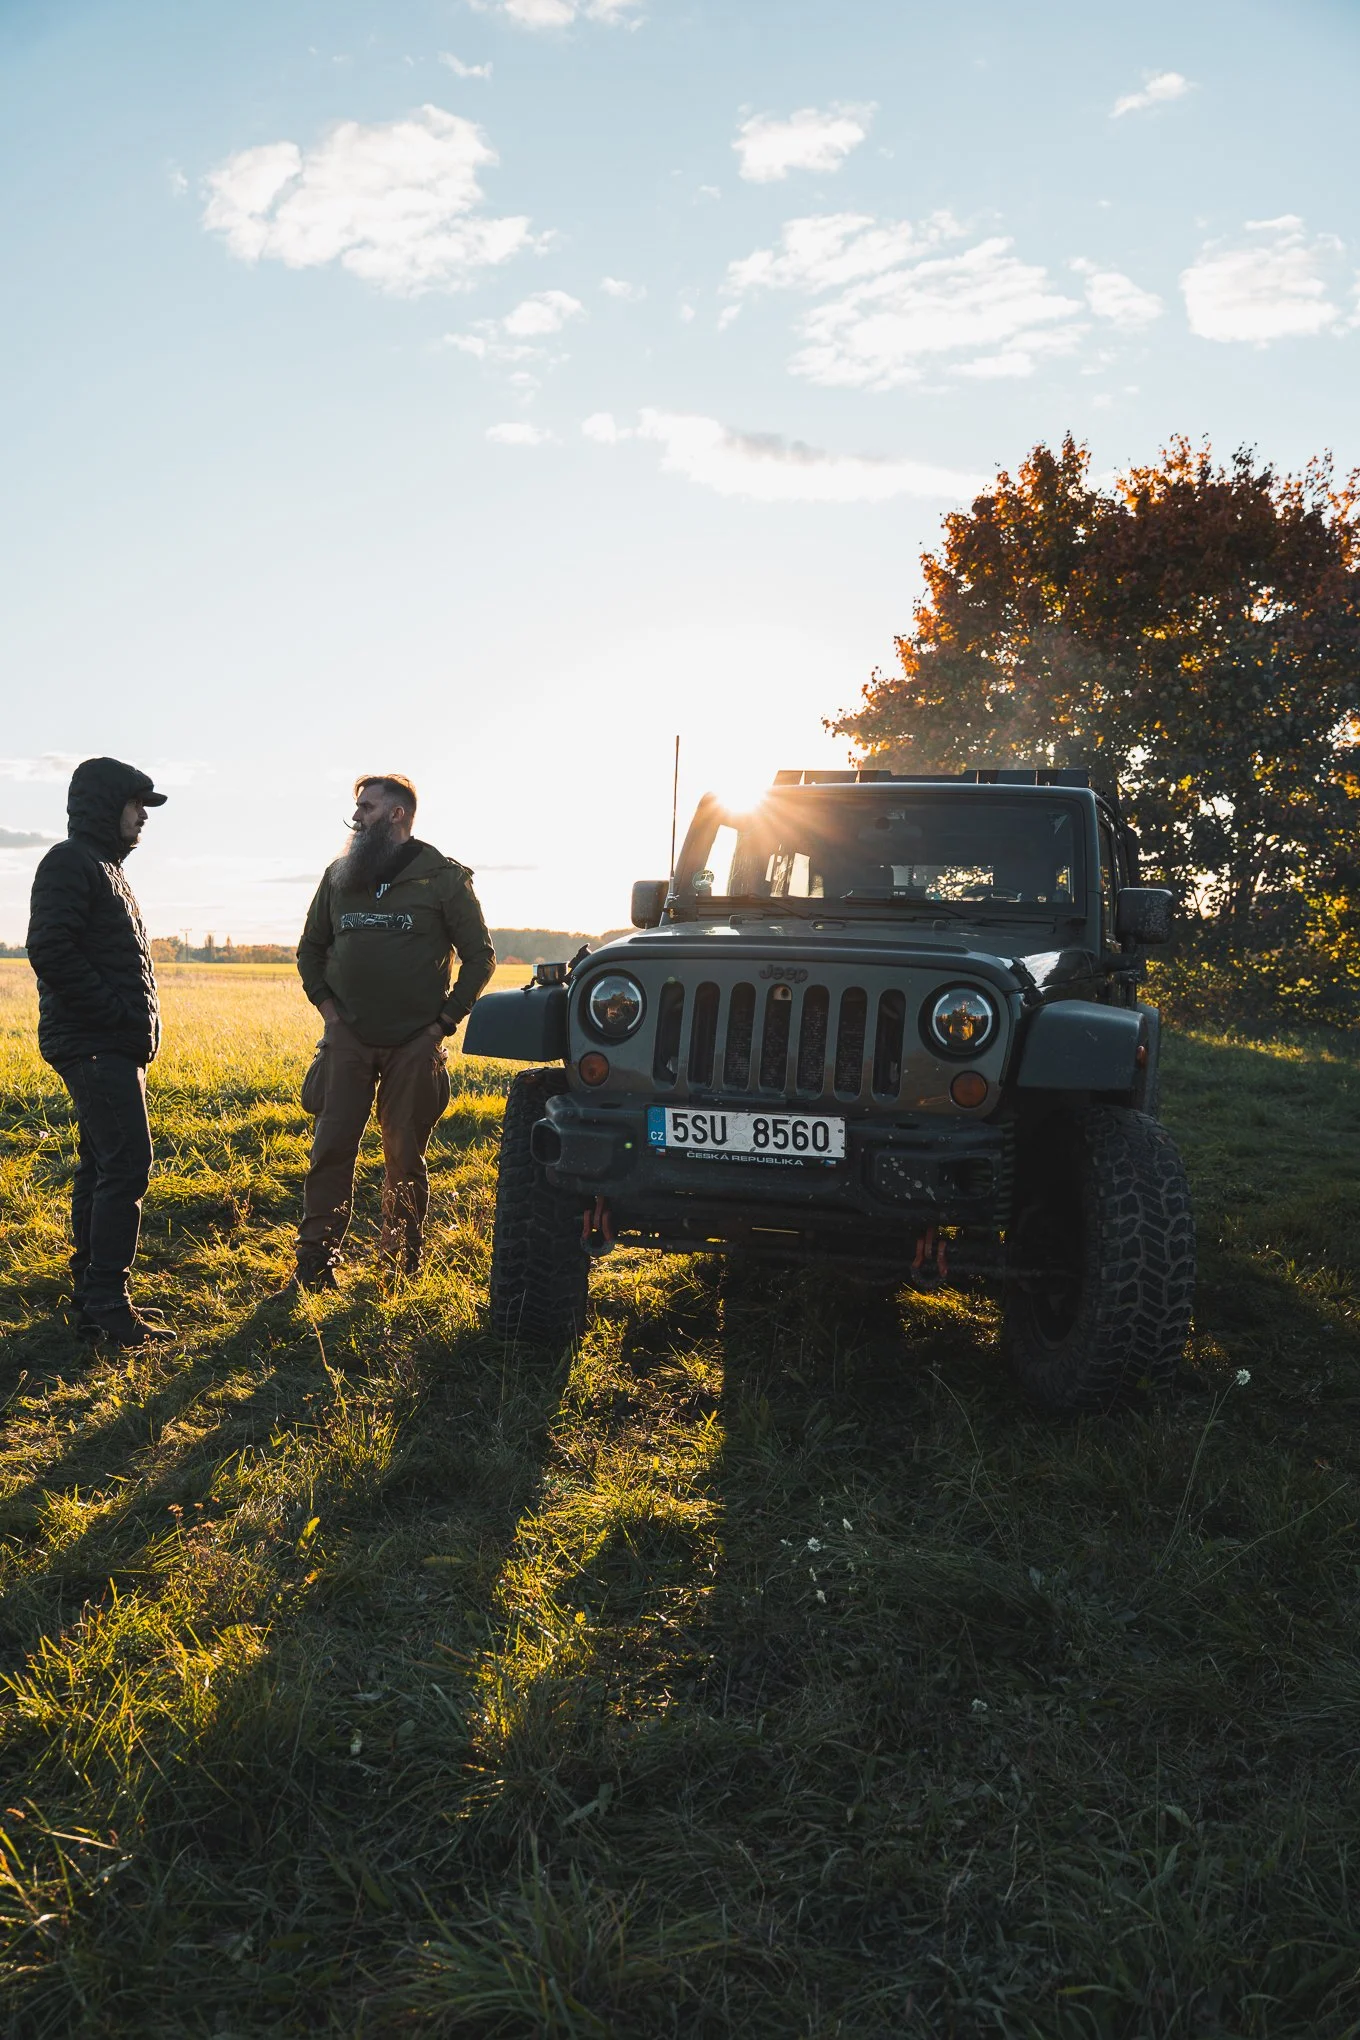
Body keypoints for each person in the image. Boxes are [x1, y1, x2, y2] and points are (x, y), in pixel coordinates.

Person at [290, 773, 496, 1290]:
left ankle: (398, 1268)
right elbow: (310, 950)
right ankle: (315, 1262)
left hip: (414, 1042)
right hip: (347, 1039)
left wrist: (442, 1024)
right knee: (330, 1148)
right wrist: (330, 1014)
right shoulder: (340, 875)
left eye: (366, 808)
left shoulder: (443, 878)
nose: (356, 817)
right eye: (357, 808)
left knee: (404, 1156)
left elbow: (479, 958)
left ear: (397, 814)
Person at [26, 757, 175, 1348]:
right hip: (93, 1044)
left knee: (100, 1164)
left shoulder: (103, 867)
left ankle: (92, 1293)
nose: (143, 817)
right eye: (137, 805)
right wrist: (114, 1017)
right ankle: (109, 1305)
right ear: (105, 804)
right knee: (126, 1165)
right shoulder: (69, 862)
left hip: (109, 1045)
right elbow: (50, 949)